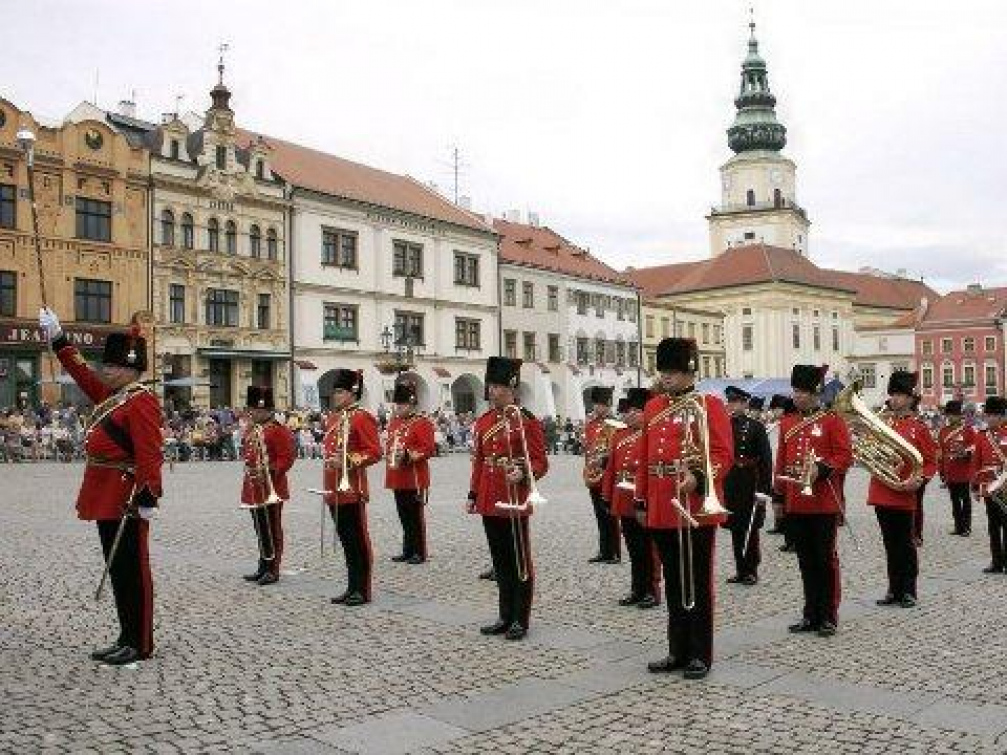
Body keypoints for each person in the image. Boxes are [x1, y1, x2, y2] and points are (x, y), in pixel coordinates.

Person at [40, 307, 163, 665]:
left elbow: (149, 452)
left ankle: (141, 642)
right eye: (106, 366)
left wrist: (147, 493)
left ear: (129, 369)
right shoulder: (114, 397)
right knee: (117, 568)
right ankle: (126, 634)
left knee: (132, 569)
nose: (105, 371)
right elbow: (82, 374)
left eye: (111, 367)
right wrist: (60, 340)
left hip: (126, 496)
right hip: (104, 493)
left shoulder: (140, 401)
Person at [635, 338, 732, 680]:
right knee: (674, 582)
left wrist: (700, 478)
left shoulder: (710, 405)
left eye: (674, 371)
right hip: (662, 502)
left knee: (698, 580)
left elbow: (723, 454)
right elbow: (646, 456)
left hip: (694, 503)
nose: (667, 378)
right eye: (664, 371)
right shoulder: (653, 407)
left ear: (690, 371)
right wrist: (641, 499)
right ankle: (677, 649)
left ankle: (699, 653)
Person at [468, 357, 548, 641]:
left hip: (513, 497)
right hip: (490, 498)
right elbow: (479, 461)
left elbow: (540, 462)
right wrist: (473, 494)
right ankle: (504, 615)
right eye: (490, 385)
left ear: (511, 386)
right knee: (500, 562)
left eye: (498, 386)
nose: (492, 391)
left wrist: (525, 473)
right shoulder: (485, 421)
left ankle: (520, 619)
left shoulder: (526, 421)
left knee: (519, 561)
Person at [774, 364, 852, 638]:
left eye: (803, 391)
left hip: (823, 502)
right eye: (795, 390)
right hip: (797, 501)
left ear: (816, 392)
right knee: (805, 561)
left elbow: (845, 457)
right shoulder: (787, 423)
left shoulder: (832, 421)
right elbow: (781, 463)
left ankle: (828, 615)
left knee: (825, 560)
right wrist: (779, 497)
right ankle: (810, 614)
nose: (797, 396)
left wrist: (823, 468)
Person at [867, 372, 937, 608]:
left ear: (910, 398)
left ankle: (908, 590)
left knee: (905, 544)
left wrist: (920, 479)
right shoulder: (882, 424)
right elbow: (869, 451)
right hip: (882, 490)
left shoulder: (919, 428)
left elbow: (930, 460)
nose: (894, 399)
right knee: (889, 543)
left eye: (899, 395)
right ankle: (893, 589)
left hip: (905, 492)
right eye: (893, 394)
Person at [322, 370, 382, 605]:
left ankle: (362, 589)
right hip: (334, 487)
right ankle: (351, 586)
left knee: (358, 541)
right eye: (335, 391)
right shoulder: (334, 418)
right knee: (346, 540)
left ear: (352, 393)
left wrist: (348, 460)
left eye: (340, 391)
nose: (336, 396)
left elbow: (375, 452)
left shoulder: (361, 417)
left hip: (352, 488)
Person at [602, 389, 660, 609]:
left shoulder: (652, 433)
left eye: (638, 410)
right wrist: (607, 496)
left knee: (649, 548)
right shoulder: (620, 435)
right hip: (623, 497)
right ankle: (637, 589)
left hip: (643, 497)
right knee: (634, 548)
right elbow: (611, 469)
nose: (632, 415)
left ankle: (652, 591)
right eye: (630, 411)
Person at [240, 385, 296, 586]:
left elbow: (286, 458)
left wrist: (268, 470)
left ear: (268, 411)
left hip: (272, 487)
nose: (254, 413)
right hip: (254, 487)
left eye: (259, 410)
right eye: (253, 410)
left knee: (272, 529)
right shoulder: (252, 430)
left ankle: (273, 569)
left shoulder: (277, 431)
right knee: (260, 529)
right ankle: (263, 565)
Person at [723, 386, 773, 586]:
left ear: (745, 403)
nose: (732, 405)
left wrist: (763, 489)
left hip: (750, 480)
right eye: (730, 402)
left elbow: (766, 461)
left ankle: (751, 569)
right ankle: (739, 569)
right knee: (735, 527)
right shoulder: (724, 426)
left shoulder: (756, 427)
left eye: (736, 402)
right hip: (731, 481)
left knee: (750, 527)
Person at [384, 380, 436, 564]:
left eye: (402, 404)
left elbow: (428, 449)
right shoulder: (394, 422)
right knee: (404, 516)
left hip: (414, 477)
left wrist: (408, 455)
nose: (398, 408)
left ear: (411, 403)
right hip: (398, 477)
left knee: (415, 517)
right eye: (397, 404)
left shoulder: (422, 423)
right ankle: (407, 550)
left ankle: (419, 552)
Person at [583, 386, 621, 564]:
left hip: (608, 475)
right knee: (599, 515)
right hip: (594, 475)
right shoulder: (590, 424)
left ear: (608, 405)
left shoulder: (615, 424)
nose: (598, 408)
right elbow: (589, 449)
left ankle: (614, 552)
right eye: (596, 404)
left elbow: (616, 451)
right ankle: (604, 550)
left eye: (602, 404)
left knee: (610, 515)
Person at [972, 396, 1007, 574]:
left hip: (1005, 487)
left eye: (994, 415)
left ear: (1002, 417)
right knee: (993, 525)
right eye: (988, 415)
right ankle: (996, 561)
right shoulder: (982, 436)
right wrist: (975, 486)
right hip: (989, 487)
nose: (990, 418)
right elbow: (976, 463)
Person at [939, 400, 975, 536]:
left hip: (964, 471)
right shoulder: (943, 432)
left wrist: (965, 452)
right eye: (949, 415)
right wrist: (942, 471)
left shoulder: (968, 430)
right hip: (950, 471)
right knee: (954, 501)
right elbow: (941, 453)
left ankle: (966, 527)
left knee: (965, 500)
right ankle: (958, 526)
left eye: (954, 415)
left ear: (960, 416)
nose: (950, 417)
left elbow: (974, 447)